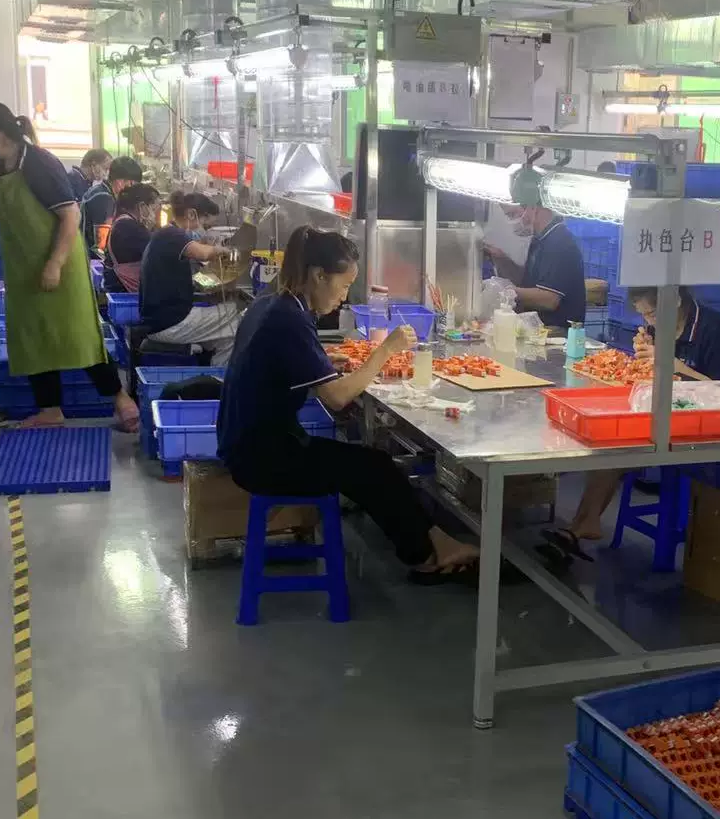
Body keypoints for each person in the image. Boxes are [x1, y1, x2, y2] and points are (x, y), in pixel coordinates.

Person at [217, 227, 480, 579]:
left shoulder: (274, 302)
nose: (343, 298)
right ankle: (427, 555)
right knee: (375, 468)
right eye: (343, 287)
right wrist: (385, 352)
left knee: (371, 464)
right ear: (318, 275)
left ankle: (433, 542)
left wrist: (321, 361)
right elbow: (338, 398)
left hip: (247, 441)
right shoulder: (288, 319)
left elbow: (279, 362)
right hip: (262, 458)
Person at [0, 102, 138, 430]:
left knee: (77, 334)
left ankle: (120, 399)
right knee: (33, 337)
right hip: (23, 266)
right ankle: (50, 410)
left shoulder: (39, 163)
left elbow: (70, 215)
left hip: (61, 265)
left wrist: (54, 264)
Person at [544, 287, 720, 558]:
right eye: (644, 315)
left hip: (708, 422)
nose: (649, 321)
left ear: (676, 300)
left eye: (652, 313)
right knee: (609, 438)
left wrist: (671, 364)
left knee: (620, 445)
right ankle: (584, 523)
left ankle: (583, 524)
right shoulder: (660, 325)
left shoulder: (713, 328)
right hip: (669, 411)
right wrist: (646, 355)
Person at [139, 190, 241, 365]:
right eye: (205, 225)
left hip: (158, 319)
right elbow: (203, 253)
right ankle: (218, 378)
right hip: (169, 323)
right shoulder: (173, 235)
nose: (204, 232)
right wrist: (224, 250)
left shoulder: (165, 233)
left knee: (226, 337)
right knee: (234, 314)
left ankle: (214, 373)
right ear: (192, 214)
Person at [484, 204, 586, 329]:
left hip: (558, 333)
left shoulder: (559, 241)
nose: (512, 222)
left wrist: (506, 291)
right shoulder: (539, 240)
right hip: (538, 331)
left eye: (513, 214)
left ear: (532, 208)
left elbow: (549, 300)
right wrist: (501, 259)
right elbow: (525, 283)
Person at [103, 183, 160, 294]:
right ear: (142, 207)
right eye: (154, 209)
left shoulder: (122, 222)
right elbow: (159, 251)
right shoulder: (128, 227)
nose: (155, 215)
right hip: (123, 292)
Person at [82, 154, 143, 257]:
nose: (132, 190)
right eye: (132, 184)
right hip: (91, 259)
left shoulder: (99, 190)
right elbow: (100, 247)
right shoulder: (104, 198)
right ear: (120, 182)